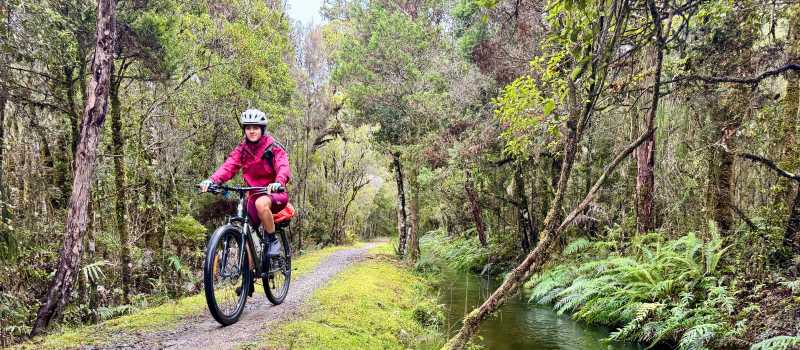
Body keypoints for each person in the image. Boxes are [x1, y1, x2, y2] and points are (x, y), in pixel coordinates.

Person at [199, 108, 291, 259]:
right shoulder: (242, 149)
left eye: (255, 128)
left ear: (262, 129)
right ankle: (248, 272)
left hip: (275, 193)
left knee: (261, 203)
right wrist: (212, 180)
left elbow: (283, 166)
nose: (252, 131)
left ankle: (272, 240)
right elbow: (228, 166)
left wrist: (279, 182)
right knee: (244, 228)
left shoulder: (272, 147)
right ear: (244, 130)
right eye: (248, 128)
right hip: (253, 197)